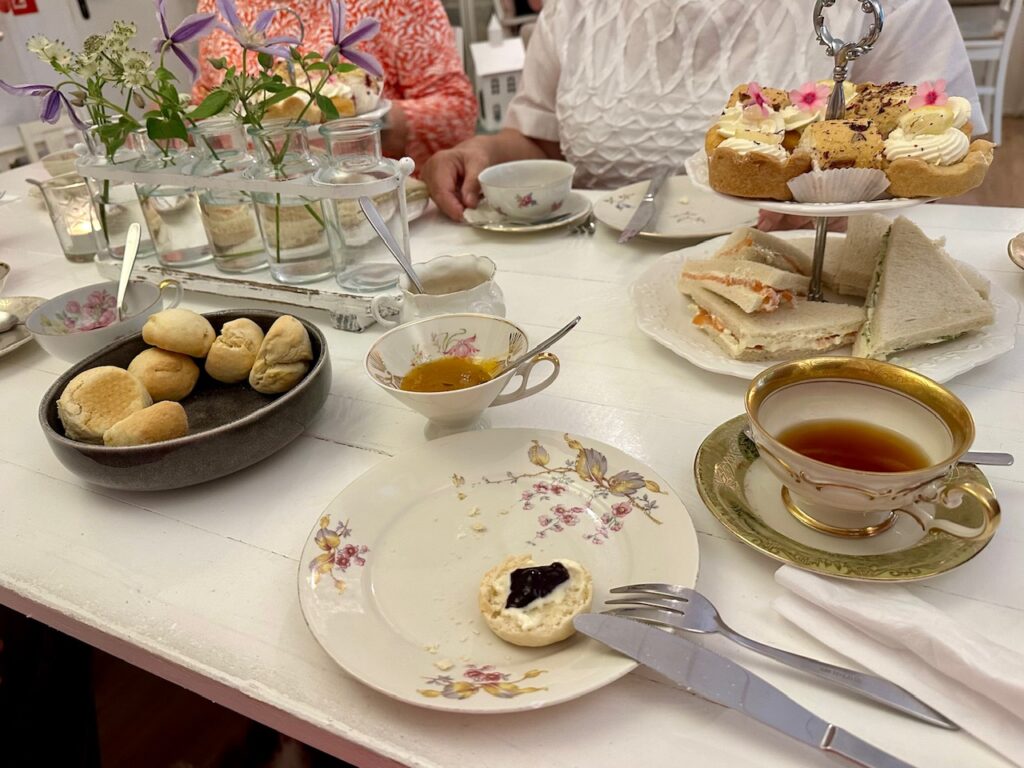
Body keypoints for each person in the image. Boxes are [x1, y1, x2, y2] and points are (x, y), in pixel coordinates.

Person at [424, 0, 985, 222]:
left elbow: (935, 168)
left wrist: (833, 214)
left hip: (822, 299)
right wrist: (482, 152)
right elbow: (540, 142)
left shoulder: (883, 6)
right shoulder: (577, 9)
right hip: (600, 296)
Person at [193, 0, 478, 171]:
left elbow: (457, 113)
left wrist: (372, 125)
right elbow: (204, 105)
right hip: (258, 204)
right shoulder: (217, 7)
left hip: (370, 201)